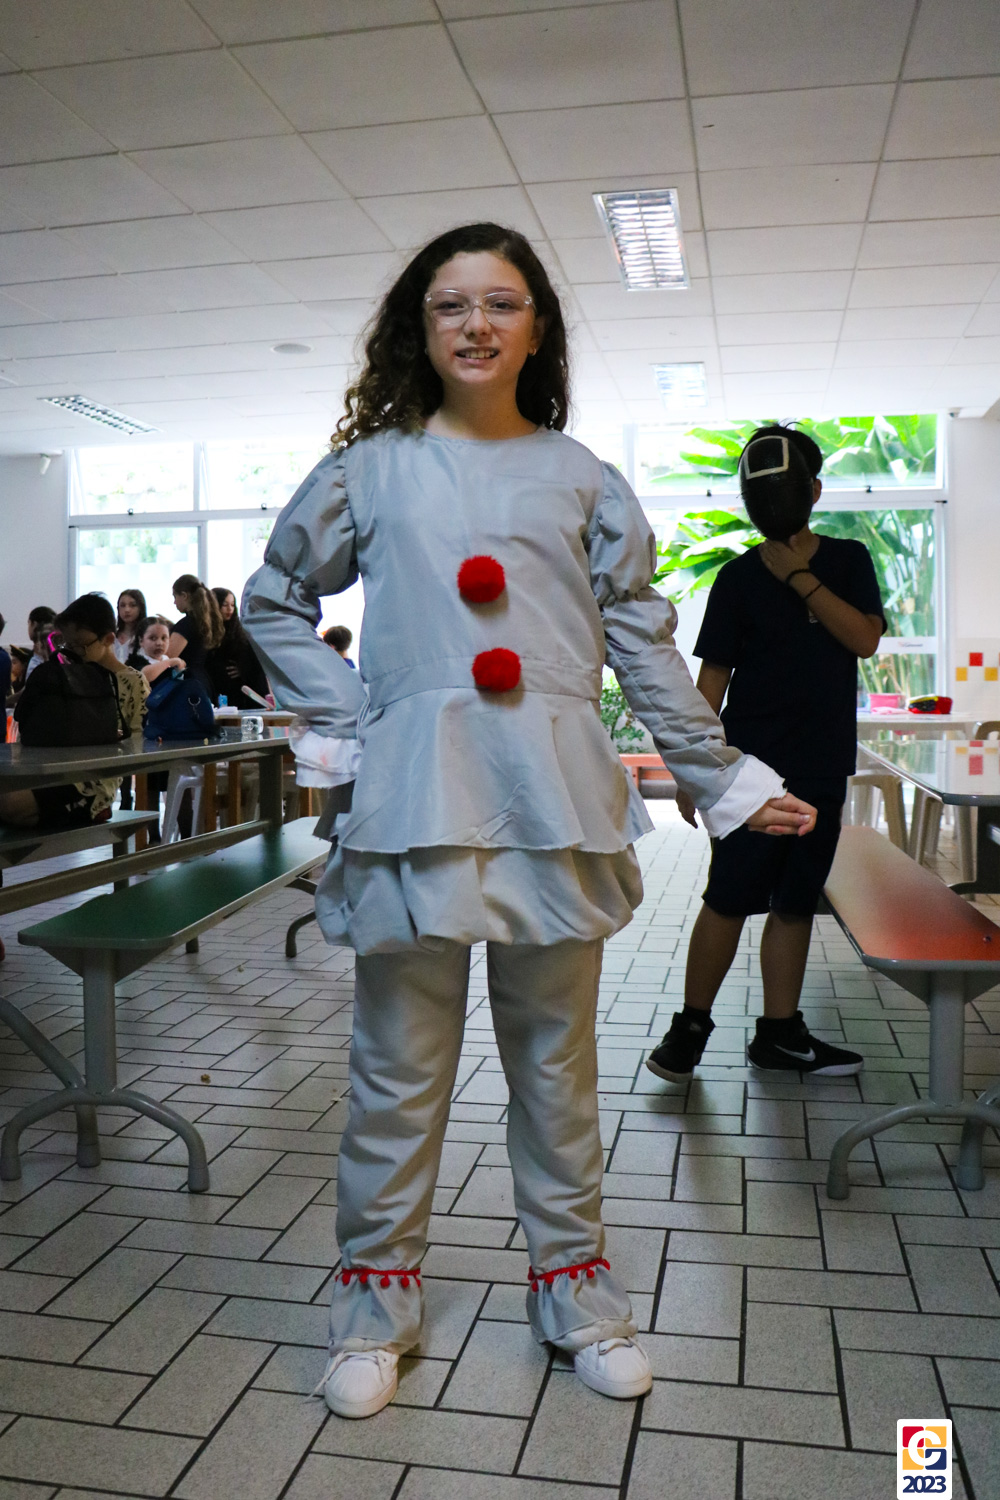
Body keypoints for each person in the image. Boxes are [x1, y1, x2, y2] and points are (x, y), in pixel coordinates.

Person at [243, 222, 816, 1422]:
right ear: (419, 328)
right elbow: (274, 599)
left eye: (500, 303)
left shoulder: (583, 478)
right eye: (450, 305)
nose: (475, 325)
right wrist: (351, 714)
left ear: (536, 325)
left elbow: (641, 642)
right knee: (396, 1067)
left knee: (556, 1066)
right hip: (416, 797)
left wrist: (717, 771)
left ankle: (575, 1294)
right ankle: (374, 1304)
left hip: (552, 797)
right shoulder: (367, 471)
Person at [646, 425, 886, 1086]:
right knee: (728, 896)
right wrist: (694, 770)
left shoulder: (847, 560)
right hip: (748, 774)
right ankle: (690, 1028)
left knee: (795, 901)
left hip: (821, 764)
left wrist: (800, 579)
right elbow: (713, 680)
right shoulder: (736, 579)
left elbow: (863, 638)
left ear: (815, 491)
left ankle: (779, 1033)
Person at [0, 594, 147, 828]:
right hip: (52, 770)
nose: (73, 652)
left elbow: (137, 744)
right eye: (67, 645)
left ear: (108, 639)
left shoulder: (131, 682)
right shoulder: (66, 676)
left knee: (11, 804)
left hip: (91, 784)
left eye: (80, 645)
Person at [206, 588, 270, 707]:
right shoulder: (208, 629)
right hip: (217, 687)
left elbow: (254, 660)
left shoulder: (240, 630)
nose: (229, 609)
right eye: (225, 605)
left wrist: (243, 669)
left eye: (232, 605)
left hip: (240, 689)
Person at [167, 574, 224, 693]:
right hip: (203, 680)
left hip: (188, 682)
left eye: (175, 596)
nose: (174, 602)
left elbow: (169, 657)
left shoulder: (185, 625)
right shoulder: (204, 622)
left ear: (184, 596)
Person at [128, 616, 185, 684]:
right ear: (141, 640)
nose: (159, 643)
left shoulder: (167, 660)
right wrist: (169, 663)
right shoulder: (134, 661)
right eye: (153, 638)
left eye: (163, 638)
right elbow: (143, 676)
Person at [114, 589, 148, 664]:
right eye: (122, 605)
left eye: (132, 605)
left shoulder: (146, 637)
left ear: (140, 608)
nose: (127, 610)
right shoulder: (112, 637)